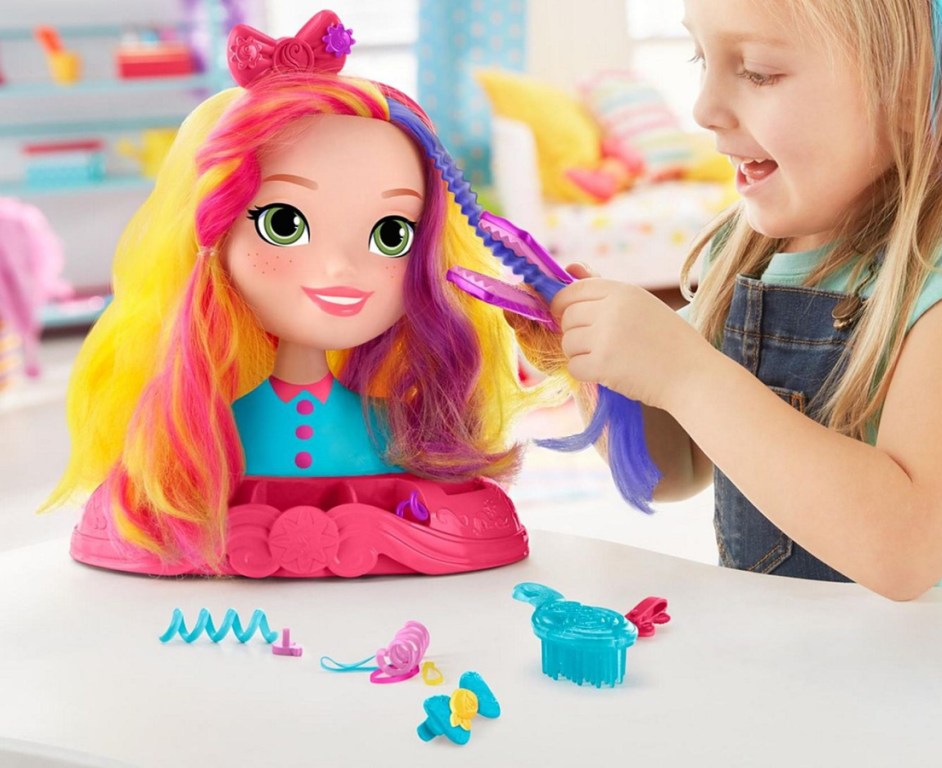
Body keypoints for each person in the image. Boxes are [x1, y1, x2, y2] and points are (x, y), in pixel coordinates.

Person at [43, 11, 566, 578]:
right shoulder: (199, 445)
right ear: (214, 238)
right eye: (285, 224)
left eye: (392, 235)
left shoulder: (398, 433)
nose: (341, 266)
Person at [545, 0, 942, 599]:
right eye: (701, 57)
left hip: (940, 683)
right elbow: (669, 469)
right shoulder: (749, 251)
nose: (704, 109)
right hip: (795, 667)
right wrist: (588, 359)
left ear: (912, 92)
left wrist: (685, 374)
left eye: (757, 71)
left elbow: (906, 548)